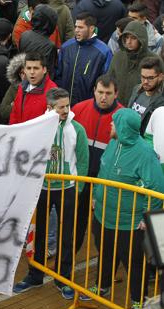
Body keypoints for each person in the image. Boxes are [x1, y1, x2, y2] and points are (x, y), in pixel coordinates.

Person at [84, 108, 164, 309]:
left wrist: (147, 217)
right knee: (105, 253)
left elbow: (157, 187)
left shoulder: (145, 153)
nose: (111, 125)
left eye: (114, 122)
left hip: (131, 222)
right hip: (104, 215)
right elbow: (103, 172)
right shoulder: (113, 143)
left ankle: (138, 299)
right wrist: (96, 196)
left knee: (135, 261)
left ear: (124, 127)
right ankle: (103, 286)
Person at [13, 88, 88, 300]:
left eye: (67, 105)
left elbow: (83, 161)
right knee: (39, 234)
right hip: (42, 190)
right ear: (49, 107)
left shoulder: (77, 129)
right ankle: (35, 275)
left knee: (66, 237)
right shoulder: (39, 127)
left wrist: (78, 189)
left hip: (67, 190)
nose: (65, 110)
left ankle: (63, 279)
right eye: (61, 107)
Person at [73, 74, 123, 252]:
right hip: (81, 178)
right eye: (100, 92)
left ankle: (103, 275)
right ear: (94, 91)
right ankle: (65, 267)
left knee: (102, 230)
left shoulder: (122, 117)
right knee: (75, 225)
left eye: (108, 93)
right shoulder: (79, 109)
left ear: (116, 94)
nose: (103, 97)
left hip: (105, 184)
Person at [56, 12, 113, 106]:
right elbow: (58, 75)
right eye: (76, 27)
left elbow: (106, 82)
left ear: (91, 28)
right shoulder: (66, 47)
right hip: (65, 105)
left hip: (88, 107)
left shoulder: (104, 52)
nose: (76, 30)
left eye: (81, 27)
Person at [108, 20, 162, 107]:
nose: (129, 42)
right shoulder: (118, 57)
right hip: (117, 107)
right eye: (127, 38)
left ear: (141, 40)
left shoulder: (155, 60)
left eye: (133, 38)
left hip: (143, 109)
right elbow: (109, 80)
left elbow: (160, 89)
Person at [9, 52, 57, 125]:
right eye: (29, 68)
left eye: (36, 68)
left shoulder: (52, 91)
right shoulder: (21, 87)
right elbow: (14, 113)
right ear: (24, 70)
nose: (32, 72)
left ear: (44, 70)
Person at [19, 4, 58, 79]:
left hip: (24, 78)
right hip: (40, 84)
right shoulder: (49, 45)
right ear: (49, 23)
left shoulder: (24, 35)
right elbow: (50, 73)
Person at [127, 56, 164, 133]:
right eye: (143, 77)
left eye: (150, 78)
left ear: (161, 77)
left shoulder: (161, 101)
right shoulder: (136, 90)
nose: (145, 82)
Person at [0, 53, 26, 124]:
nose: (25, 76)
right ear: (19, 74)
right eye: (22, 73)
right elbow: (3, 111)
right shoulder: (14, 88)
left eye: (27, 72)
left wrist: (14, 104)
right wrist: (18, 105)